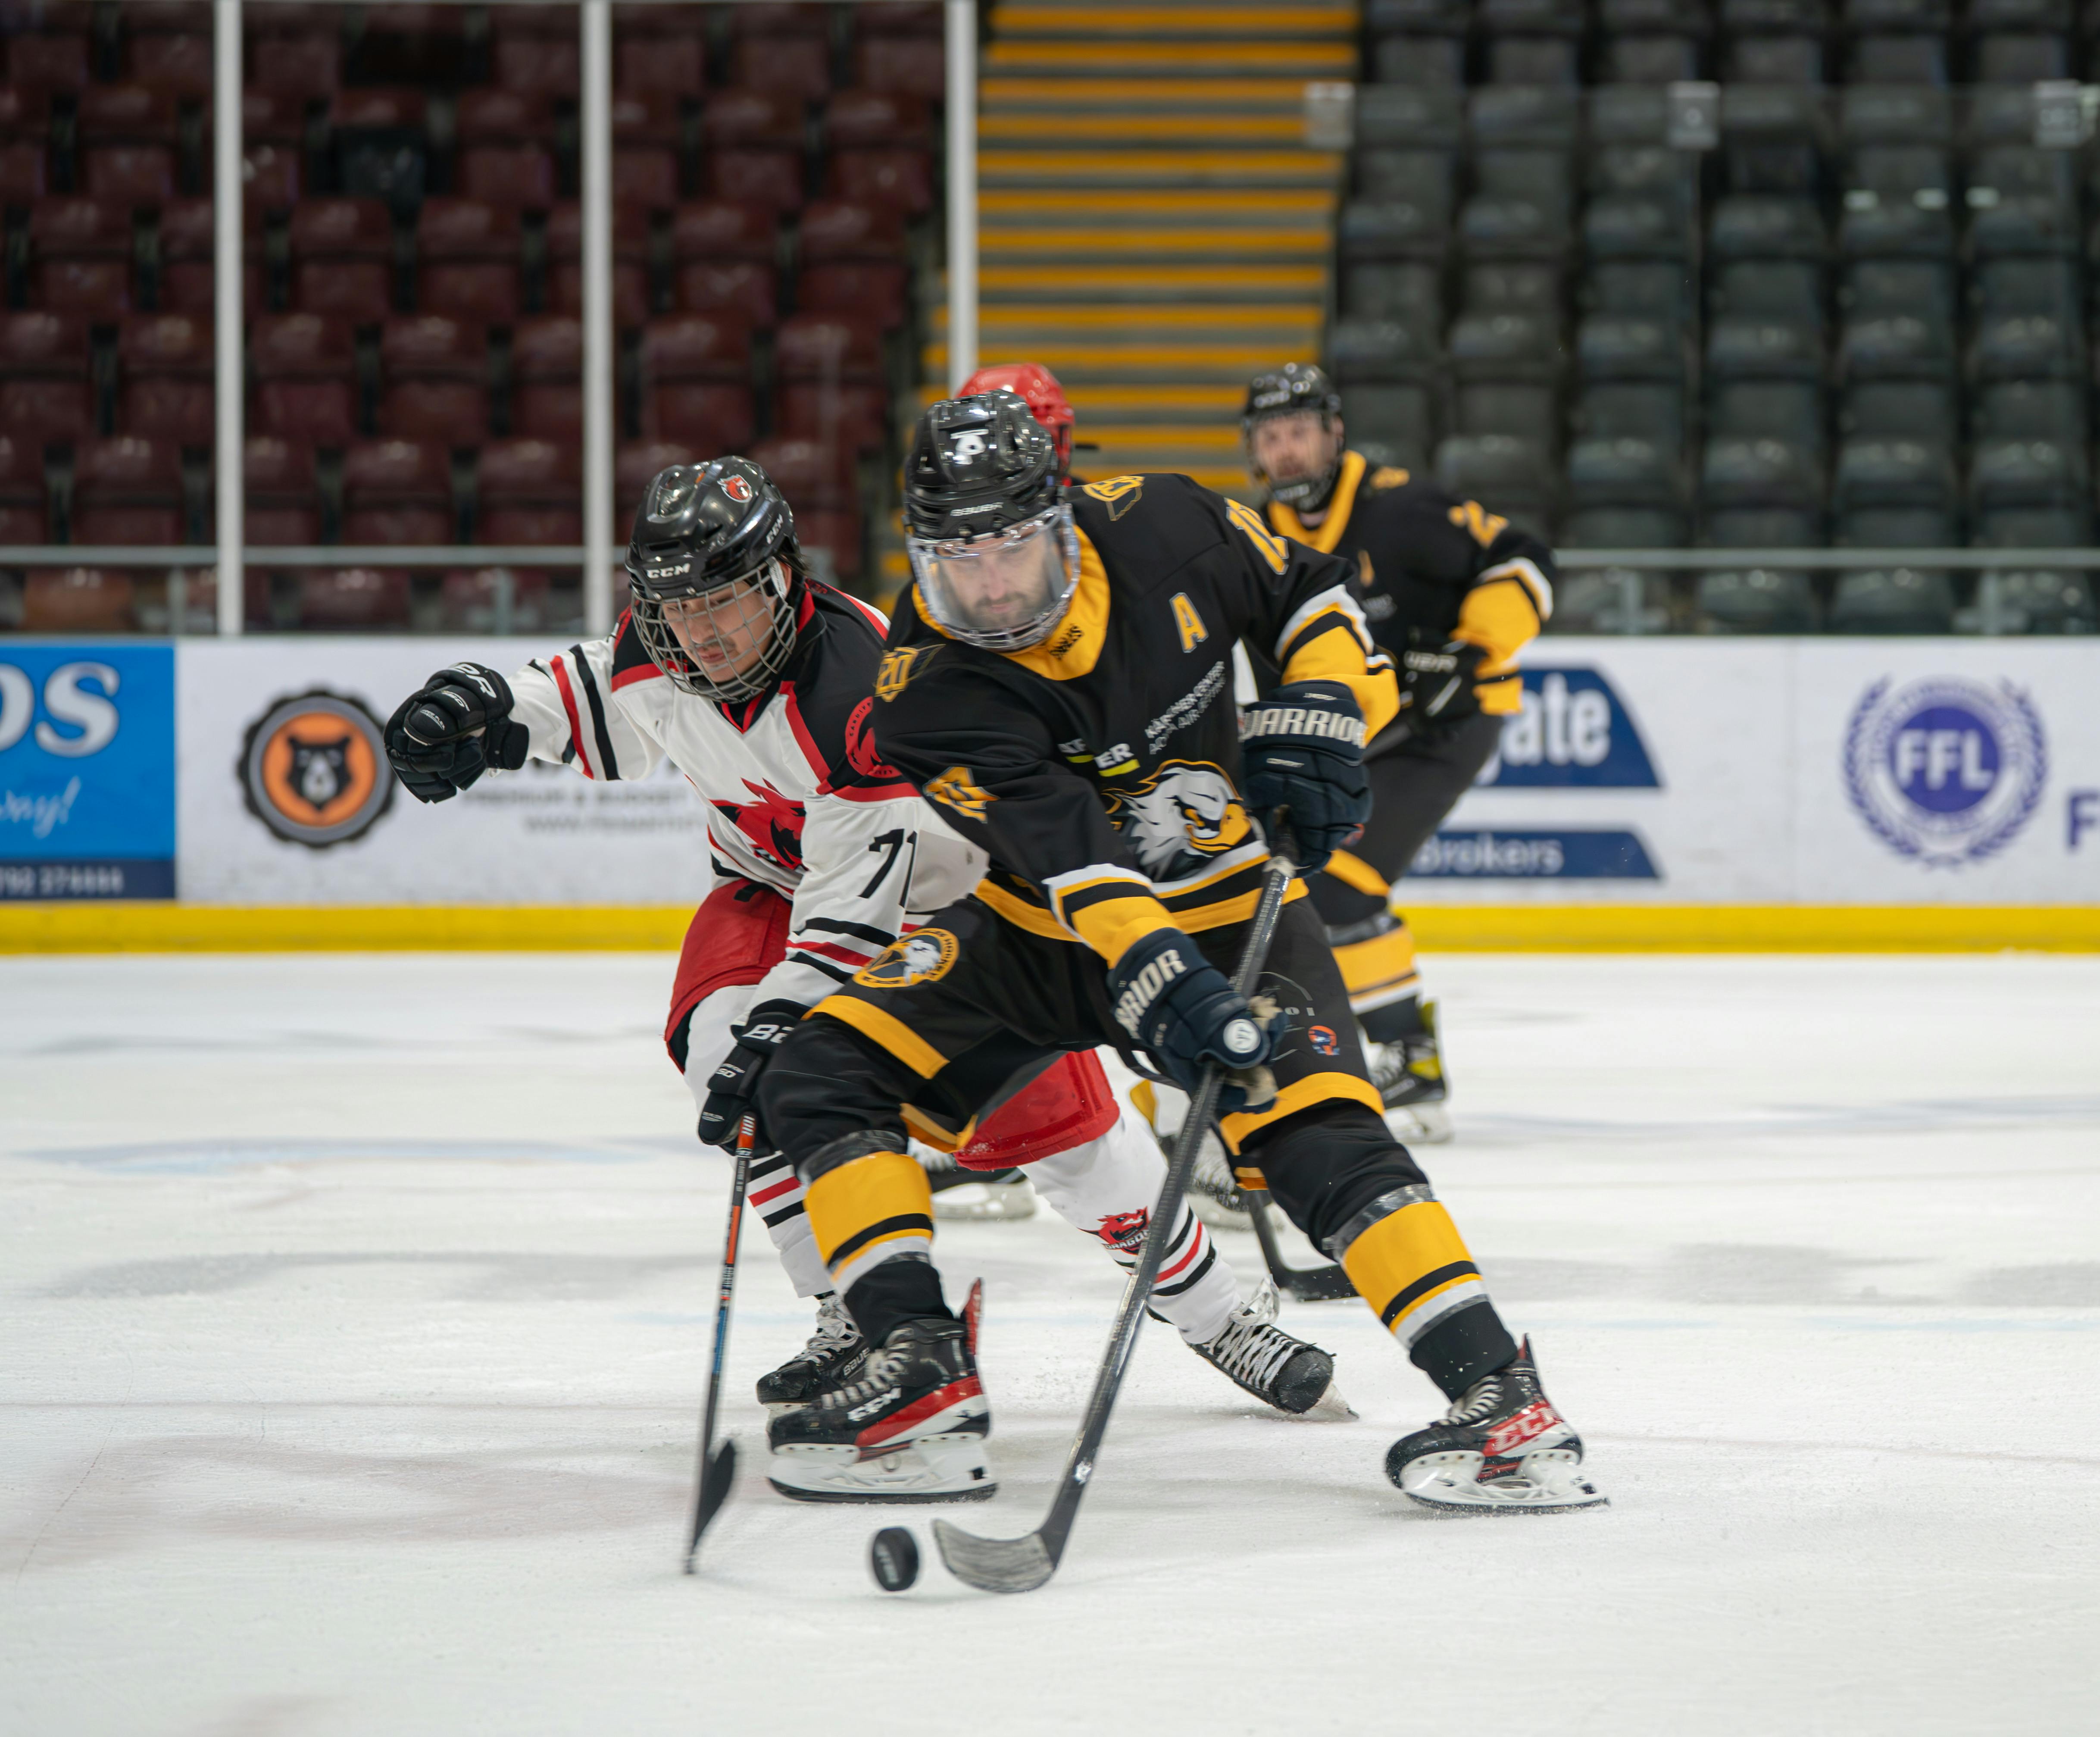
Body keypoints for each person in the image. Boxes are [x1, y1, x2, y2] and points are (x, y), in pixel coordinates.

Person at [380, 456, 1341, 1460]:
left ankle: (1220, 1315)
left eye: (725, 603)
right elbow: (593, 688)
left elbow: (852, 917)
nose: (701, 636)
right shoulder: (658, 651)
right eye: (678, 610)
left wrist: (785, 1019)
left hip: (947, 910)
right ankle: (853, 1312)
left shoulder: (862, 692)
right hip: (771, 888)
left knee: (1072, 1147)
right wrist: (487, 707)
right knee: (729, 1058)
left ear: (783, 579)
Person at [752, 392, 1605, 1514]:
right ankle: (917, 1369)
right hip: (1040, 934)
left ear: (1060, 517)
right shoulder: (928, 687)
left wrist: (1323, 707)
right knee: (820, 1072)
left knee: (1316, 1136)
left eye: (1010, 545)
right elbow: (1079, 860)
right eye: (960, 559)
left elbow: (1309, 591)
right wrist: (1170, 988)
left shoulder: (1168, 526)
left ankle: (1502, 1396)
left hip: (1230, 899)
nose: (992, 585)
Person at [1247, 364, 1556, 1139]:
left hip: (1451, 722)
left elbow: (1523, 560)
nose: (1287, 451)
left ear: (1335, 432)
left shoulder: (1405, 508)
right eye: (1271, 436)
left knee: (1341, 882)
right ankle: (1403, 1058)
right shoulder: (1259, 531)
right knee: (1307, 876)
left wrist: (1473, 650)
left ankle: (1409, 1059)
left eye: (1300, 432)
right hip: (1362, 729)